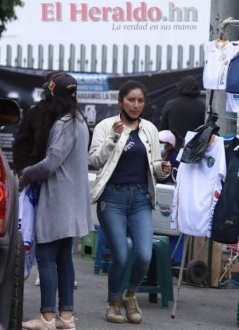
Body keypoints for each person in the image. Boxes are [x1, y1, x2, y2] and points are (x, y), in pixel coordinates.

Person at [89, 80, 170, 324]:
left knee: (144, 255)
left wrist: (163, 169)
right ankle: (113, 303)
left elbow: (155, 166)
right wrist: (114, 137)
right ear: (120, 101)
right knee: (121, 256)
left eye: (140, 101)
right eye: (131, 100)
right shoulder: (106, 126)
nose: (136, 105)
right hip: (112, 198)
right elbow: (94, 160)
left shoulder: (150, 130)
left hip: (141, 199)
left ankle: (130, 294)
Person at [20, 73, 93, 330]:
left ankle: (48, 317)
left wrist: (26, 174)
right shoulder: (80, 121)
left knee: (46, 255)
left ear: (53, 96)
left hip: (59, 200)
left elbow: (51, 163)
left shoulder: (64, 124)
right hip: (73, 201)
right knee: (63, 258)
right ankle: (66, 317)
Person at [12, 70, 63, 175]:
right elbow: (21, 145)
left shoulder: (75, 118)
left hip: (64, 178)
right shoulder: (34, 114)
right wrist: (23, 172)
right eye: (53, 85)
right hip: (36, 177)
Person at [160, 75, 206, 150]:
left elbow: (163, 129)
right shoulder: (202, 107)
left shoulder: (170, 105)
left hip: (173, 149)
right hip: (194, 152)